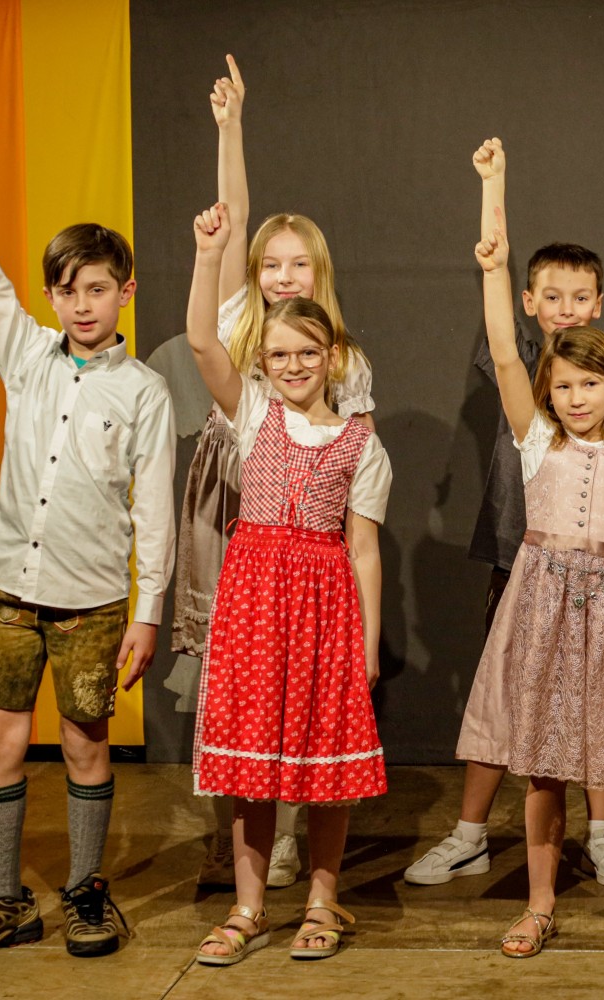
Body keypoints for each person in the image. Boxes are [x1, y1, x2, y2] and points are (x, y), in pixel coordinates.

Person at [0, 114, 174, 960]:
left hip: (92, 606)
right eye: (67, 290)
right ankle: (1, 900)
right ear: (51, 296)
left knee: (87, 745)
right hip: (9, 599)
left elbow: (154, 510)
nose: (81, 304)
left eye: (97, 288)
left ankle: (87, 892)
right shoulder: (25, 355)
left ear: (125, 291)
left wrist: (148, 612)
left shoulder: (144, 392)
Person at [457, 200, 604, 957]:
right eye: (563, 388)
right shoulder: (536, 441)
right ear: (548, 392)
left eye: (590, 385)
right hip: (543, 610)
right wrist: (495, 270)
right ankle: (539, 905)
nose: (577, 399)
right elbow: (505, 353)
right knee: (543, 771)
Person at [404, 138, 604, 890]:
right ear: (531, 303)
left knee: (594, 702)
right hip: (521, 558)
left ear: (599, 305)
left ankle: (601, 832)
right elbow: (500, 315)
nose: (567, 309)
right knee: (503, 694)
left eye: (581, 297)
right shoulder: (521, 368)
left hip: (597, 572)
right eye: (552, 296)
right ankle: (470, 834)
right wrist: (494, 188)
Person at [179, 56, 371, 892]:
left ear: (319, 276)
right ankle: (244, 828)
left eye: (298, 266)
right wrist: (230, 128)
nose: (283, 277)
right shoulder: (238, 328)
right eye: (271, 265)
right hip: (234, 510)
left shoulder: (343, 361)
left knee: (304, 681)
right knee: (239, 678)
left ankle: (291, 832)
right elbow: (233, 217)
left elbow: (353, 463)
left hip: (308, 531)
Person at [186, 203, 390, 965]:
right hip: (253, 608)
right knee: (252, 768)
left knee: (323, 764)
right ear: (263, 362)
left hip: (325, 611)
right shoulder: (252, 415)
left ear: (333, 358)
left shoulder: (362, 444)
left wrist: (367, 644)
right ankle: (248, 908)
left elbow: (363, 549)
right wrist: (209, 256)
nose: (294, 365)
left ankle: (321, 902)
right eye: (279, 354)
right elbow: (202, 340)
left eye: (308, 352)